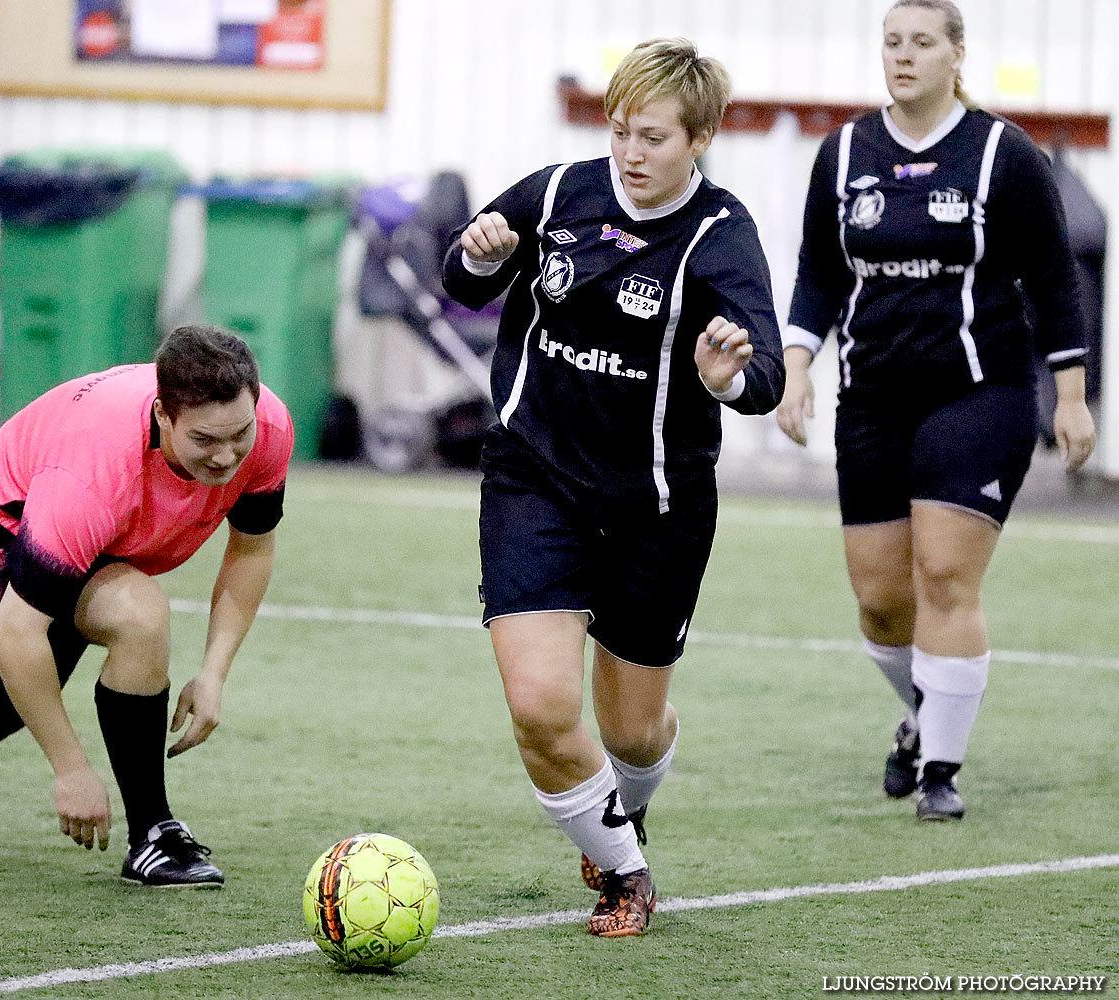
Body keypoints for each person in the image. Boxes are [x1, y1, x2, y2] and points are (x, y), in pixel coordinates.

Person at [442, 39, 784, 937]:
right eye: (621, 130)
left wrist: (726, 379)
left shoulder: (720, 236)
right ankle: (627, 874)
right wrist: (479, 255)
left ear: (701, 137)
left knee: (630, 733)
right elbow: (462, 281)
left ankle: (626, 799)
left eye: (655, 137)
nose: (631, 153)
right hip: (533, 479)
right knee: (541, 709)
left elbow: (767, 375)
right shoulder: (559, 193)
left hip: (656, 506)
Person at [776, 0, 1096, 821]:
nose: (903, 57)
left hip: (979, 392)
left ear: (957, 55)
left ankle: (941, 775)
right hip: (873, 398)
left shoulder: (1002, 154)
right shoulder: (845, 152)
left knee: (946, 573)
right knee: (881, 600)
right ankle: (926, 714)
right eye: (891, 43)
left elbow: (1057, 280)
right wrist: (798, 367)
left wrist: (1071, 396)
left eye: (922, 42)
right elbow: (819, 271)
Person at [0, 325, 294, 888]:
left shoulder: (266, 430)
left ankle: (149, 834)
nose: (226, 457)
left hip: (105, 529)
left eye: (237, 435)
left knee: (15, 691)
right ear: (164, 416)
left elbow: (251, 548)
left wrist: (213, 672)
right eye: (205, 441)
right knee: (70, 654)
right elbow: (17, 632)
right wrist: (70, 769)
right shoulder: (92, 474)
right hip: (0, 520)